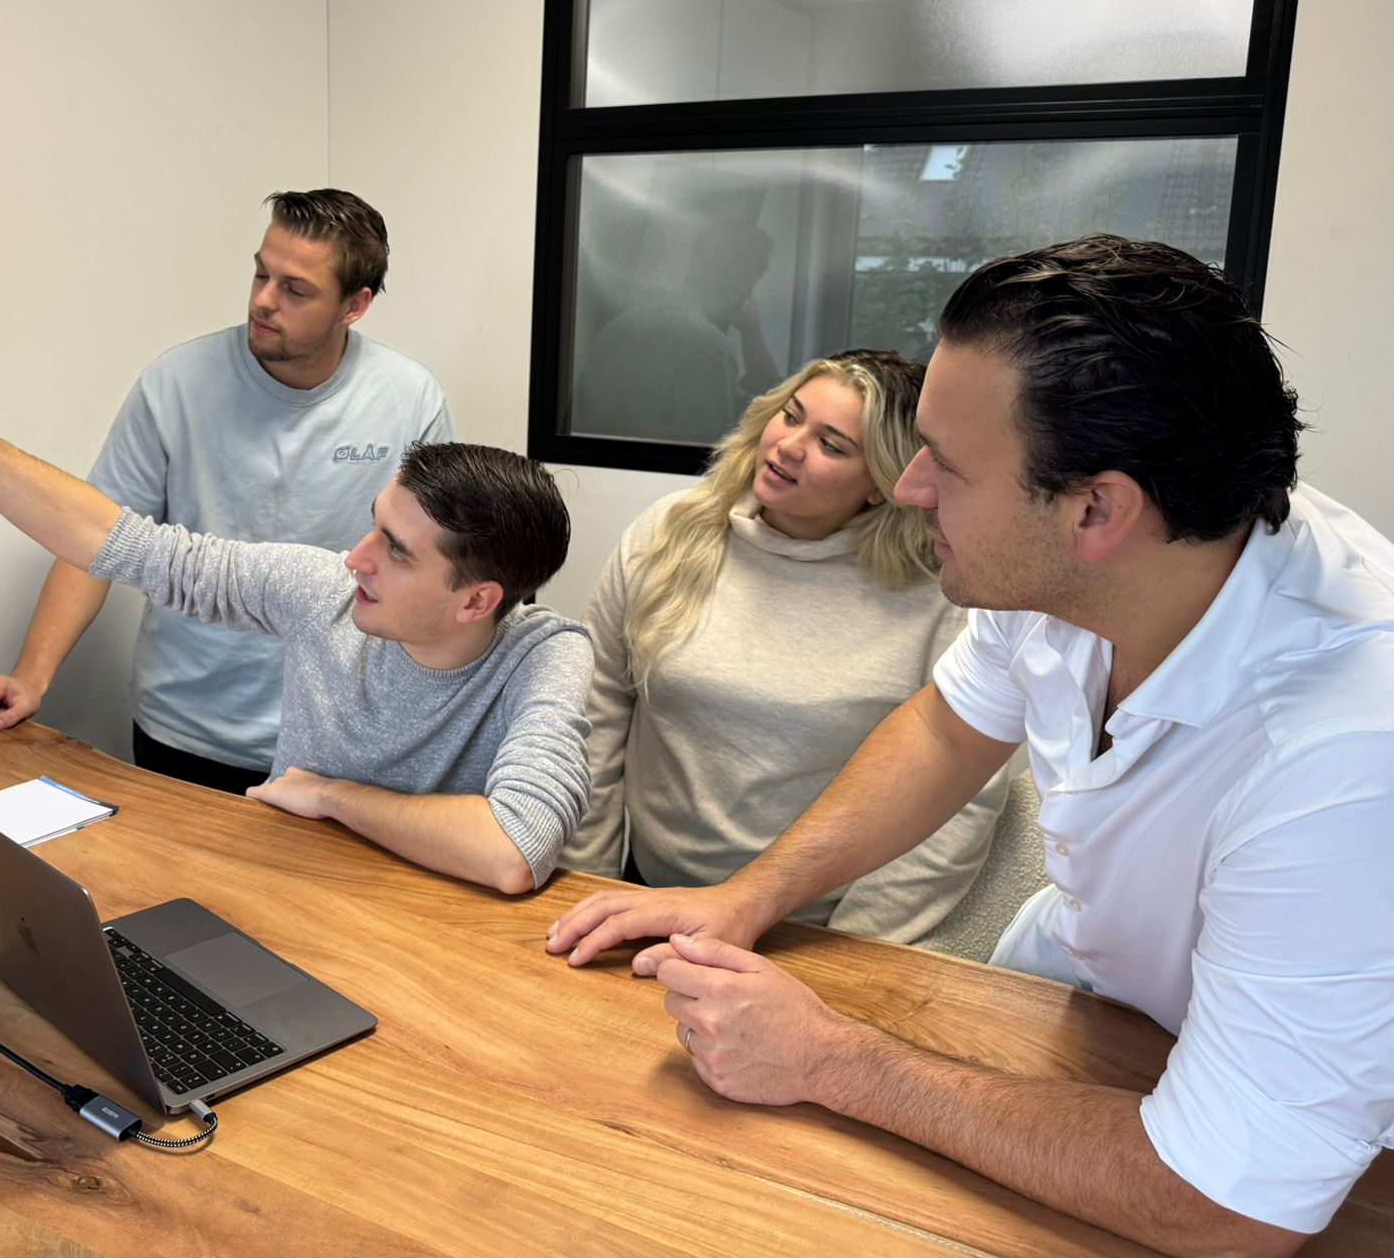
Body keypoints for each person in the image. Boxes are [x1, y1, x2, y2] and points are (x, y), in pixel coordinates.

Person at [547, 235, 1394, 1256]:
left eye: (944, 466)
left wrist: (832, 1058)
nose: (908, 489)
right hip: (1094, 1001)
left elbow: (1225, 1208)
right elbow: (948, 727)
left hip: (1288, 1135)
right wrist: (747, 897)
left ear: (1096, 509)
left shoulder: (1347, 751)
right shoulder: (1082, 558)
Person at [0, 325, 592, 893]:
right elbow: (109, 539)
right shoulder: (320, 591)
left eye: (396, 550)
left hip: (441, 960)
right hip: (299, 903)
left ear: (477, 600)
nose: (357, 557)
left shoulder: (547, 655)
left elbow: (512, 850)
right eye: (372, 526)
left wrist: (329, 795)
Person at [0, 189, 453, 794]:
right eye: (261, 274)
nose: (263, 300)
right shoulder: (176, 384)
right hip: (185, 729)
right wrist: (31, 676)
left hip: (339, 740)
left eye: (295, 290)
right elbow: (93, 539)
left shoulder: (410, 399)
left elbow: (434, 570)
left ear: (355, 305)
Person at [561, 350, 1006, 946]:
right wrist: (588, 881)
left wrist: (857, 949)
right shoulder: (669, 532)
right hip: (646, 897)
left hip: (813, 931)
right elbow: (596, 711)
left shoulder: (942, 597)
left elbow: (959, 799)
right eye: (791, 416)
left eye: (831, 445)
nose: (789, 446)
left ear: (882, 485)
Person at [572, 218, 779, 446]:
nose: (750, 295)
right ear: (739, 284)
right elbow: (708, 456)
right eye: (751, 283)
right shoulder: (708, 349)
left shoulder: (622, 324)